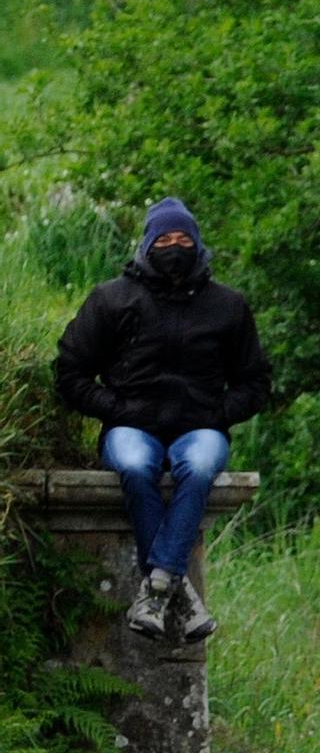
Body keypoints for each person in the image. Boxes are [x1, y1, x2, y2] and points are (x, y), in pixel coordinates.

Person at [53, 198, 272, 642]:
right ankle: (178, 589)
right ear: (147, 244)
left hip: (200, 429)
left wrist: (218, 414)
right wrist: (114, 408)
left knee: (202, 466)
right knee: (135, 466)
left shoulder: (227, 305)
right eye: (165, 239)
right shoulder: (112, 299)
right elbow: (69, 372)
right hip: (131, 425)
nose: (175, 247)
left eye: (183, 239)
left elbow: (256, 382)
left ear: (198, 244)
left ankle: (155, 588)